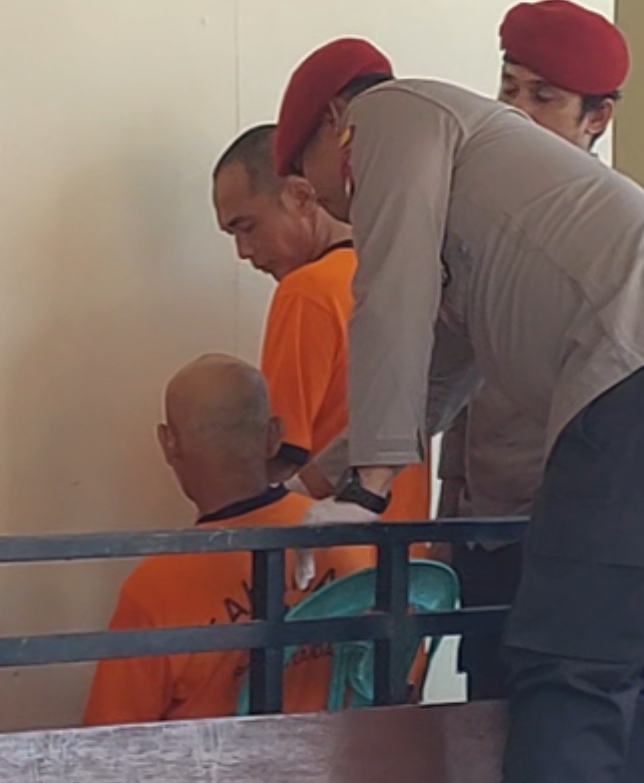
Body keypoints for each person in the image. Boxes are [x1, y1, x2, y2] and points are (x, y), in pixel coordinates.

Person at [273, 32, 644, 783]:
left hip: (623, 381)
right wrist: (314, 484)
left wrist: (369, 488)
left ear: (336, 119)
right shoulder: (493, 200)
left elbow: (393, 293)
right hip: (621, 377)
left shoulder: (390, 112)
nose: (332, 202)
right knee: (618, 674)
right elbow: (441, 370)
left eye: (309, 177)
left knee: (568, 671)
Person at [437, 0, 630, 702]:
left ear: (596, 118)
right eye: (508, 88)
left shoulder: (620, 239)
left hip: (580, 543)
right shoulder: (477, 217)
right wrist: (446, 523)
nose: (516, 112)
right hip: (486, 541)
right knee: (483, 724)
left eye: (543, 97)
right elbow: (457, 380)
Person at [83, 354, 376, 725]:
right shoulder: (348, 540)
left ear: (168, 442)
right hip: (346, 755)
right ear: (274, 435)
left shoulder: (153, 592)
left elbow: (109, 741)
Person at [212, 124, 432, 562]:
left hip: (329, 563)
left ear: (301, 196)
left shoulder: (307, 293)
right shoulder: (398, 278)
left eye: (247, 227)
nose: (243, 251)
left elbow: (278, 456)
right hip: (407, 555)